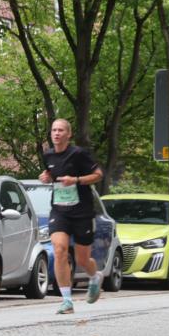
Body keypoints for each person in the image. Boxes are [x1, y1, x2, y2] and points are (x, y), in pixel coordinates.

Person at [38, 118, 104, 314]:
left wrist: (75, 180)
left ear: (69, 134)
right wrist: (46, 177)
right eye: (53, 130)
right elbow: (51, 173)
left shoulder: (78, 154)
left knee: (83, 260)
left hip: (82, 212)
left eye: (60, 130)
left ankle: (95, 277)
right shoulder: (48, 155)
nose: (56, 133)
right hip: (59, 210)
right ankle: (66, 301)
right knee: (59, 250)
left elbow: (99, 174)